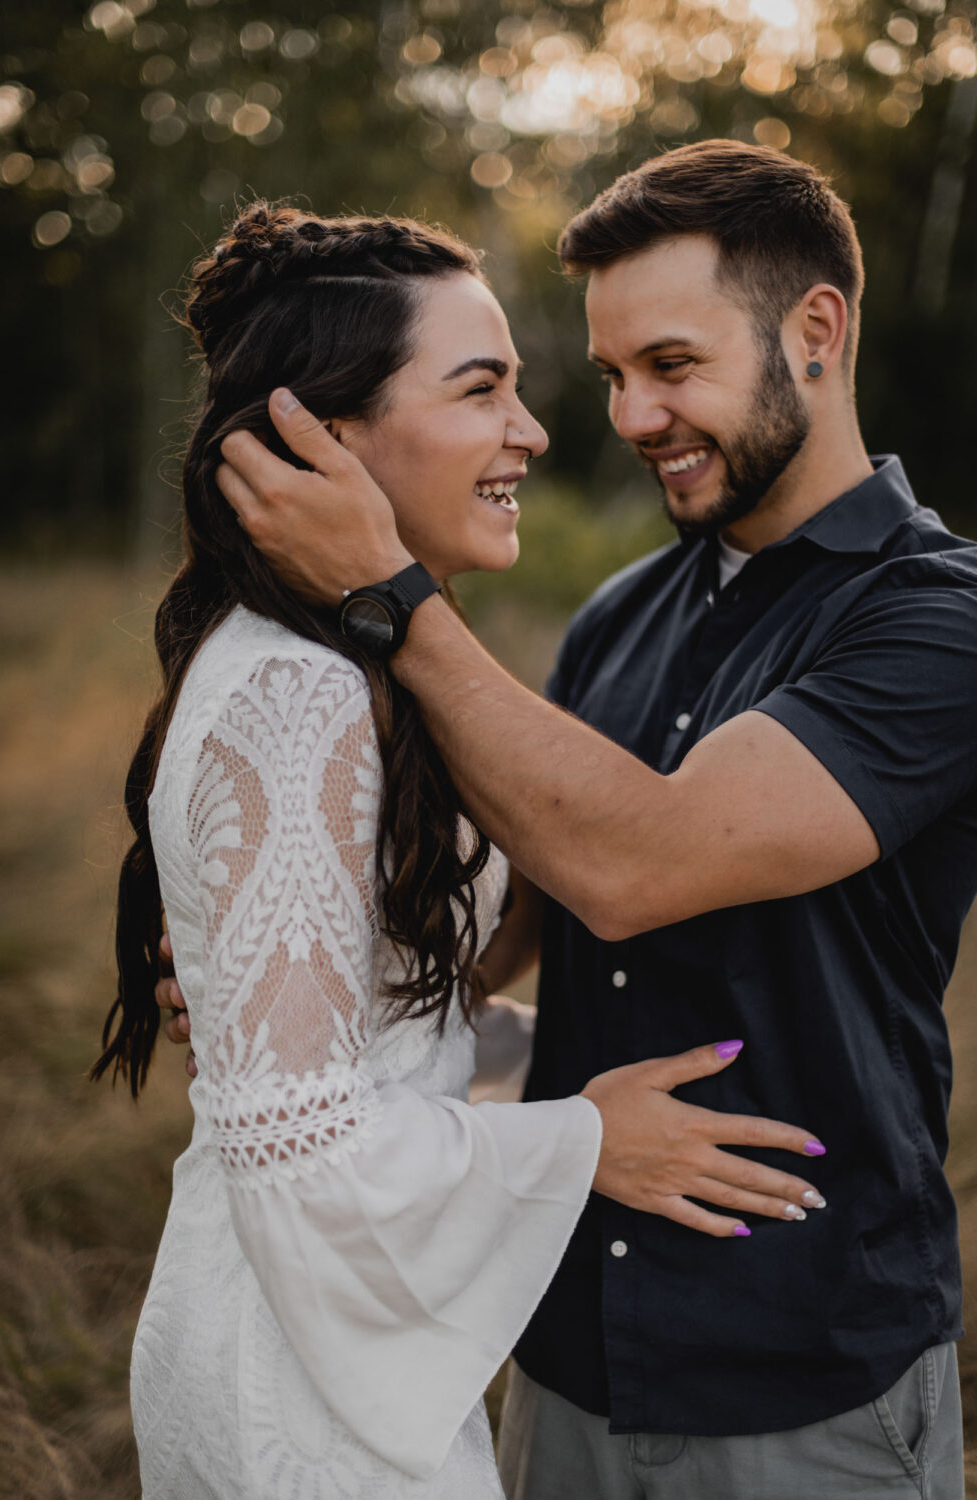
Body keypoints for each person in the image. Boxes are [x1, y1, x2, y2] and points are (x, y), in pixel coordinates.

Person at [205, 145, 977, 1499]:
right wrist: (299, 963)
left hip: (804, 1373)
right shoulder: (625, 609)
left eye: (670, 365)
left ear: (815, 332)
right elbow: (533, 905)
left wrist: (387, 596)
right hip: (557, 1345)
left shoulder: (935, 618)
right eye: (614, 374)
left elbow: (634, 862)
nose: (631, 414)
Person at [94, 202, 827, 1500]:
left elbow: (387, 1034)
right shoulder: (293, 698)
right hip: (295, 1394)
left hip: (321, 1351)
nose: (536, 432)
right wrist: (583, 1140)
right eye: (483, 387)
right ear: (322, 432)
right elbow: (303, 1159)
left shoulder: (366, 668)